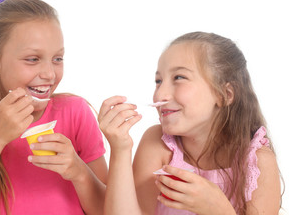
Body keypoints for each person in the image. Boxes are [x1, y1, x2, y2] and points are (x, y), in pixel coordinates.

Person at [0, 0, 107, 215]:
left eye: (57, 58)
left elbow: (108, 210)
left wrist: (80, 172)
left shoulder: (76, 113)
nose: (49, 74)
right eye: (33, 59)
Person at [98, 32, 282, 214]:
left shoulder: (257, 162)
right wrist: (120, 150)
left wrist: (219, 210)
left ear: (224, 94)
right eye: (158, 81)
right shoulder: (157, 143)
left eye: (179, 77)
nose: (160, 95)